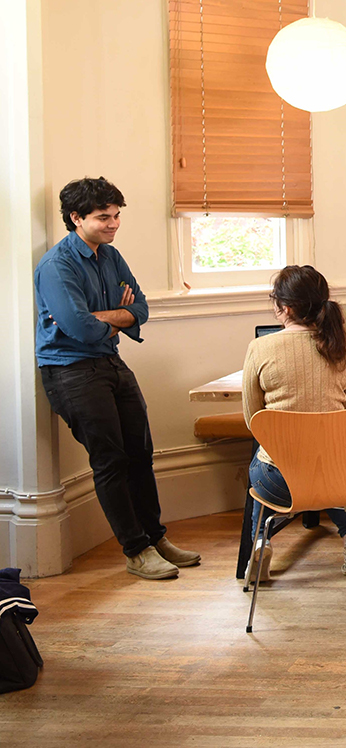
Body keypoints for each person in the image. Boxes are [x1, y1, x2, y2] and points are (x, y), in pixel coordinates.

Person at [34, 177, 201, 580]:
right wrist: (112, 318)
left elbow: (140, 309)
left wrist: (104, 318)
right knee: (110, 460)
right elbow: (79, 329)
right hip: (70, 371)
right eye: (103, 217)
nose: (113, 224)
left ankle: (155, 537)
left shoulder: (110, 256)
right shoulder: (57, 266)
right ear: (76, 218)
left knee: (140, 454)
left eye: (116, 216)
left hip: (110, 364)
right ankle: (136, 550)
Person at [242, 266, 346, 581]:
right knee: (323, 470)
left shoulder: (260, 349)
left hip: (279, 483)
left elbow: (253, 420)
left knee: (263, 457)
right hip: (338, 478)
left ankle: (260, 542)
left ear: (285, 308)